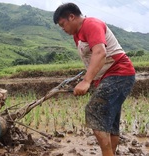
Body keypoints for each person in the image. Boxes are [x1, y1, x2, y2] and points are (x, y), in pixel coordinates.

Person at [53, 3, 136, 156]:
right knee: (110, 122)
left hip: (119, 73)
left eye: (62, 24)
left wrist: (86, 81)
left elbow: (100, 52)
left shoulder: (91, 24)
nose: (62, 29)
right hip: (110, 77)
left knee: (93, 111)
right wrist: (89, 79)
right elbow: (92, 59)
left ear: (71, 17)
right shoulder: (77, 35)